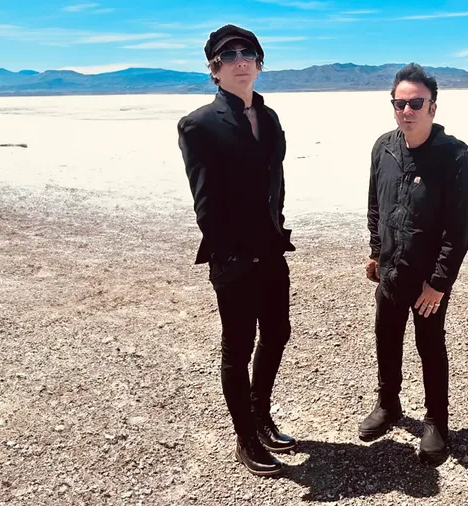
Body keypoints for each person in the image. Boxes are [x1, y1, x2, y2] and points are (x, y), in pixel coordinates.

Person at [177, 24, 296, 476]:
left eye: (248, 54)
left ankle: (260, 414)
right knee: (238, 347)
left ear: (259, 64)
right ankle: (245, 438)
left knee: (278, 333)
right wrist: (228, 254)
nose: (240, 61)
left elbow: (275, 182)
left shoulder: (270, 118)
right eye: (229, 56)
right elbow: (205, 200)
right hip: (234, 257)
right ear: (215, 70)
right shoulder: (199, 124)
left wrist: (277, 226)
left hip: (271, 248)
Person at [361, 63, 468, 466]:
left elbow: (458, 229)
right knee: (386, 338)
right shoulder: (384, 147)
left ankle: (436, 421)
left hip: (428, 279)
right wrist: (376, 252)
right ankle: (388, 404)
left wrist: (439, 283)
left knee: (430, 346)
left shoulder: (452, 155)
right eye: (400, 103)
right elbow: (375, 205)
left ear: (432, 107)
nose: (407, 111)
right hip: (391, 270)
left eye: (416, 103)